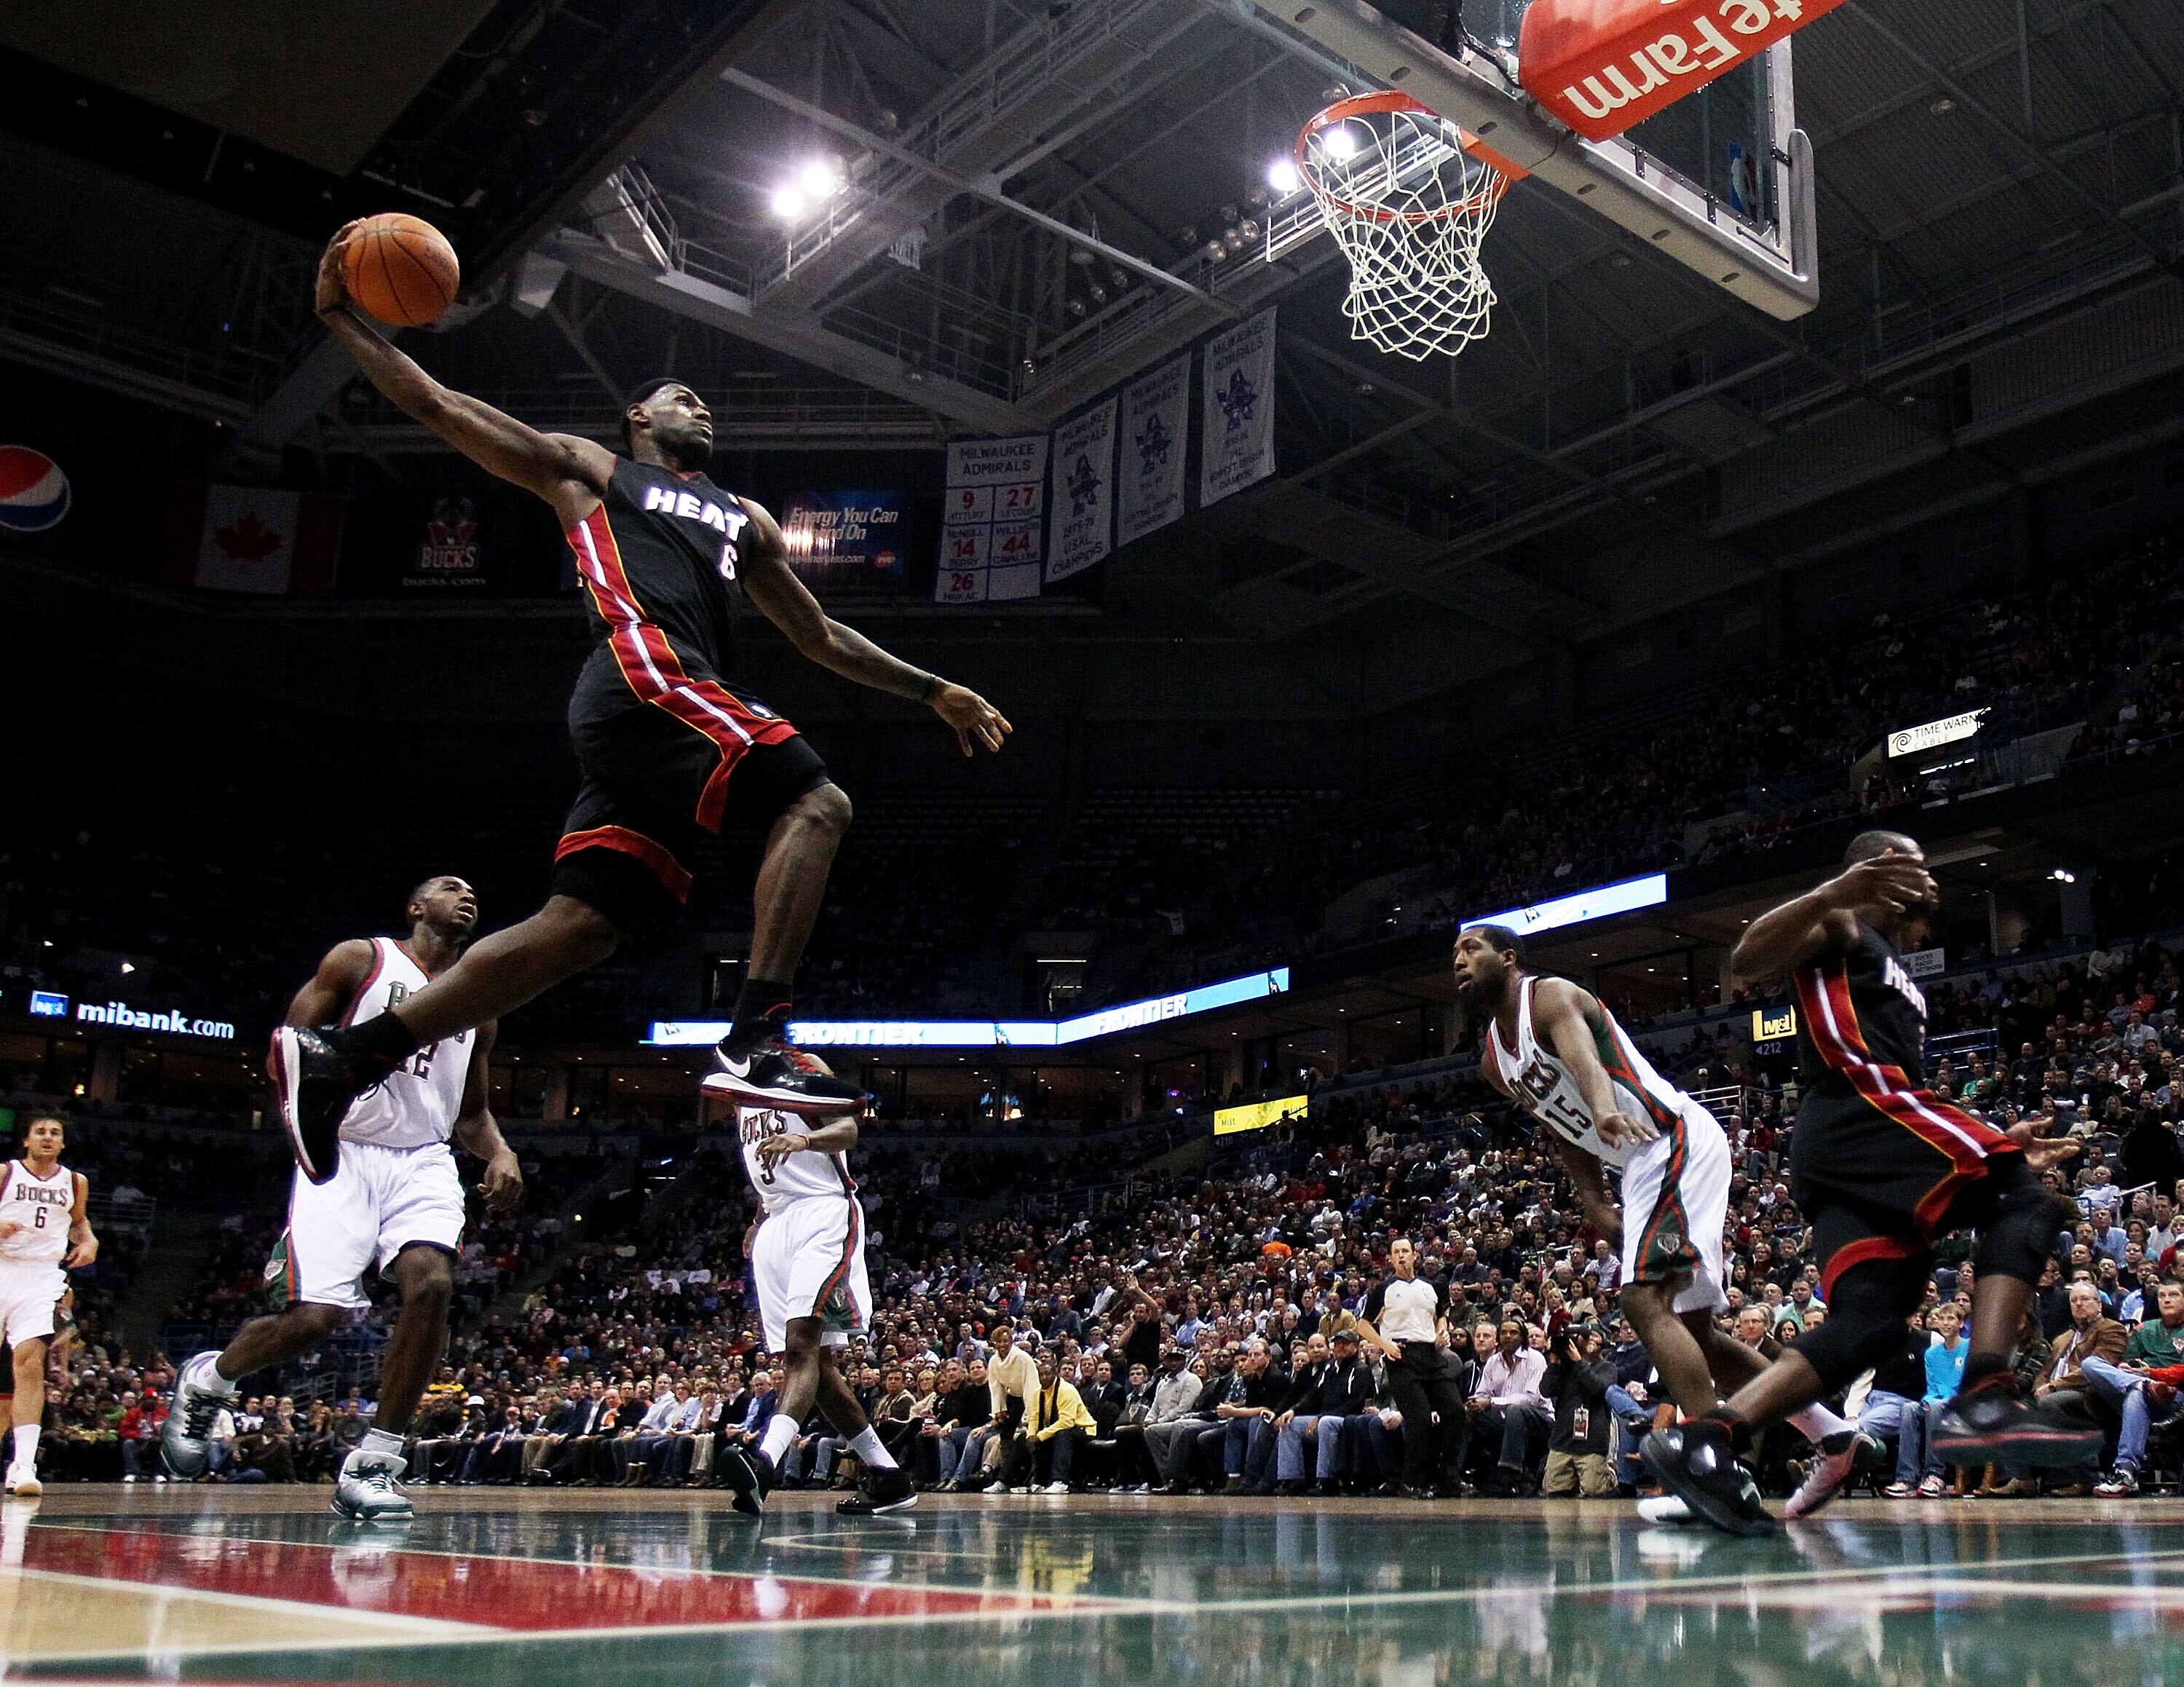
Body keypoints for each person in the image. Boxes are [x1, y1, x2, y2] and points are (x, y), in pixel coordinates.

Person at [272, 226, 1014, 1180]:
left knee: (582, 928)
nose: (701, 407)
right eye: (682, 396)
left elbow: (820, 636)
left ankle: (348, 1057)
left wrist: (934, 688)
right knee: (817, 798)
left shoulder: (745, 519)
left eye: (704, 403)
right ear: (638, 417)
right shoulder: (592, 471)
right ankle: (757, 1033)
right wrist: (342, 317)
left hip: (654, 717)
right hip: (644, 669)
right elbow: (439, 404)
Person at [1644, 832, 2097, 1535]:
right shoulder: (1839, 922)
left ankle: (1709, 1438)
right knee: (2021, 1197)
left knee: (1870, 1320)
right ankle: (1986, 1391)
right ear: (1879, 869)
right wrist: (1836, 890)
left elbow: (1903, 1088)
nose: (1932, 884)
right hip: (1857, 1108)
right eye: (1916, 866)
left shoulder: (1894, 966)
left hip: (1857, 1143)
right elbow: (1749, 957)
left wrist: (1994, 1138)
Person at [1458, 924, 1869, 1518]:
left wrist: (1604, 1109)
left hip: (1669, 1136)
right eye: (1455, 953)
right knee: (1695, 1337)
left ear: (1509, 956)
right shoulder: (1495, 1061)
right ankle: (1833, 1434)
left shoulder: (1547, 997)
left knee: (1643, 1299)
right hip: (1642, 1158)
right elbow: (1555, 1119)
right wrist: (1592, 1197)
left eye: (1472, 948)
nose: (1460, 959)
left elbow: (1585, 1060)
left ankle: (1713, 1464)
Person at [162, 879, 523, 1522]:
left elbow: (471, 1113)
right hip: (345, 1150)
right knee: (313, 1320)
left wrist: (500, 1151)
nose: (467, 895)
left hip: (424, 1157)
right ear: (416, 907)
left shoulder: (479, 1001)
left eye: (473, 890)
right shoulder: (361, 960)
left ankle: (375, 1462)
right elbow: (288, 1055)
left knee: (432, 1284)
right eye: (450, 887)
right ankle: (211, 1378)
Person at [705, 1068, 913, 1515]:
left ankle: (764, 1462)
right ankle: (889, 1476)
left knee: (801, 1348)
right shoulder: (741, 1093)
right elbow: (770, 1170)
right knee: (815, 1365)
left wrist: (803, 1140)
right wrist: (760, 1218)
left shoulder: (803, 1068)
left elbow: (848, 1128)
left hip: (823, 1211)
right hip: (778, 1220)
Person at [0, 1110, 97, 1498]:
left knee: (29, 1363)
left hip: (41, 1275)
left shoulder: (75, 1181)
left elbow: (79, 1223)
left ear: (62, 1142)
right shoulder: (6, 1173)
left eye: (55, 1132)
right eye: (39, 1131)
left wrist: (89, 1241)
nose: (47, 1137)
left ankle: (24, 1466)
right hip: (2, 1264)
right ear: (26, 1140)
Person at [1353, 1238, 1467, 1498]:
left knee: (1455, 1411)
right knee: (1419, 1419)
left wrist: (1442, 1331)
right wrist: (1384, 1345)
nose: (1402, 1255)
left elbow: (1441, 1316)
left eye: (1405, 1251)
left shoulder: (1430, 1286)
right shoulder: (1384, 1289)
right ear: (1391, 1259)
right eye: (1397, 1252)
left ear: (1415, 1255)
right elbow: (1363, 1325)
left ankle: (1449, 1477)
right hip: (1401, 1355)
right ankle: (1412, 1482)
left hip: (1430, 1353)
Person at [2091, 1279, 2184, 1496]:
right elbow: (2126, 1361)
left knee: (2136, 1394)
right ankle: (2142, 1385)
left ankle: (2125, 1471)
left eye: (2173, 1295)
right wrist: (2127, 1368)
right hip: (2138, 1386)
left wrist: (2152, 1374)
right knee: (2091, 1364)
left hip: (2174, 1397)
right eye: (2162, 1296)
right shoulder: (2144, 1328)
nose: (2167, 1300)